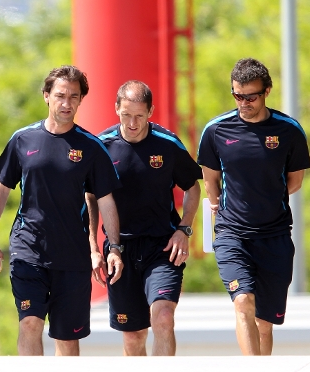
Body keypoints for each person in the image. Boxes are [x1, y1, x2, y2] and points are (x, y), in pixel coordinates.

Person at [0, 65, 123, 356]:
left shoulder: (91, 147)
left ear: (81, 100)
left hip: (72, 256)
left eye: (74, 97)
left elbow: (105, 201)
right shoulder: (22, 140)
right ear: (46, 96)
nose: (66, 103)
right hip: (28, 249)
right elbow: (1, 190)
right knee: (30, 323)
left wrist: (112, 247)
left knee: (67, 339)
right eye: (60, 95)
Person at [197, 58, 310, 355]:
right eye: (237, 95)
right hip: (232, 233)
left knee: (264, 322)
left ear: (267, 91)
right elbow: (210, 179)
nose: (244, 102)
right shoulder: (215, 130)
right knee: (243, 301)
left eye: (251, 96)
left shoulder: (288, 130)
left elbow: (295, 181)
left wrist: (264, 196)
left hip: (274, 234)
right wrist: (217, 204)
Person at [86, 80, 202, 356]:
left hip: (162, 246)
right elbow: (90, 199)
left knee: (163, 317)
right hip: (119, 250)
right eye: (126, 114)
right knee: (134, 337)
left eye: (139, 115)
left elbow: (193, 188)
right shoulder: (100, 147)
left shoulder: (168, 145)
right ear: (116, 109)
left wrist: (184, 229)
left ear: (151, 111)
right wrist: (93, 248)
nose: (132, 122)